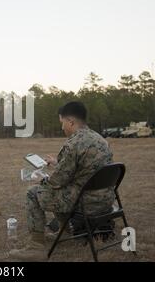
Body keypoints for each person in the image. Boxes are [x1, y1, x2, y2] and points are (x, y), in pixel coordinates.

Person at [9, 101, 114, 261]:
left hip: (85, 202)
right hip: (105, 200)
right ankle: (65, 231)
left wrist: (41, 178)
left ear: (71, 121)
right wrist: (58, 164)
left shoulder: (73, 144)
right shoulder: (100, 139)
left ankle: (36, 248)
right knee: (61, 192)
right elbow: (85, 168)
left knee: (33, 193)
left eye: (62, 123)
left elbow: (57, 182)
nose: (62, 127)